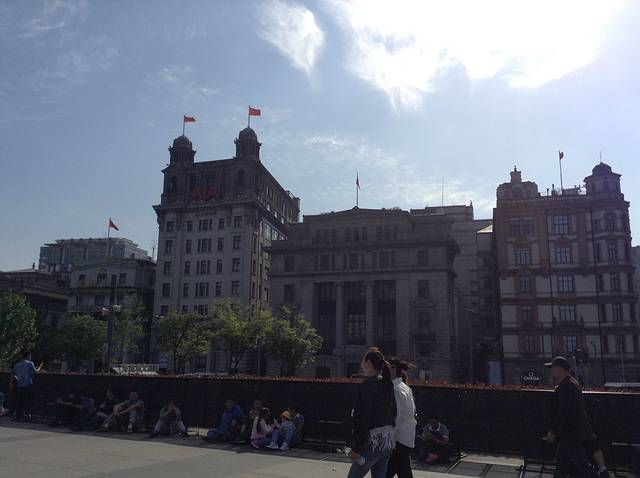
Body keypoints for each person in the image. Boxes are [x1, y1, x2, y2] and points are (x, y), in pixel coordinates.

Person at [348, 347, 397, 478]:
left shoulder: (367, 385)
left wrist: (356, 448)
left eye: (363, 360)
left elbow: (365, 418)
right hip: (387, 441)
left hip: (371, 443)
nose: (361, 364)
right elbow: (394, 412)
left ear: (368, 363)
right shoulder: (386, 384)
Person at [545, 356, 598, 478]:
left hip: (570, 433)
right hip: (571, 432)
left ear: (560, 368)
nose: (552, 370)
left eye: (553, 367)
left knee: (581, 466)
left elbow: (564, 411)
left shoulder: (566, 386)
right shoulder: (572, 383)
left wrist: (553, 430)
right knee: (562, 467)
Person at [386, 358, 416, 478]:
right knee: (402, 471)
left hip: (398, 439)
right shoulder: (405, 387)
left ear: (393, 370)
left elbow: (396, 416)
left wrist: (390, 440)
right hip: (406, 437)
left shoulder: (395, 389)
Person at [11, 351, 42, 421]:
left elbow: (13, 374)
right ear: (28, 356)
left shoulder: (17, 365)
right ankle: (28, 415)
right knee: (28, 400)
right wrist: (39, 367)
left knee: (20, 401)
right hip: (28, 384)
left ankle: (18, 415)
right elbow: (35, 371)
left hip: (19, 385)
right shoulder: (30, 363)